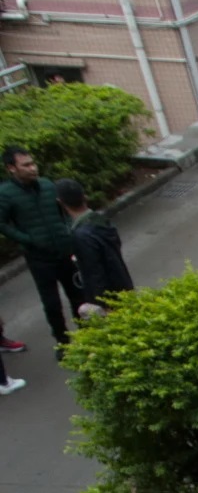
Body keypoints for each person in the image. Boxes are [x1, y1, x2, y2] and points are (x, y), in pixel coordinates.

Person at [0, 147, 81, 345]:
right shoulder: (6, 194)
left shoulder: (46, 185)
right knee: (52, 303)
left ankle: (88, 336)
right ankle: (62, 341)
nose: (33, 168)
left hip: (64, 251)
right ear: (11, 168)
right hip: (39, 258)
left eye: (33, 163)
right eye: (26, 165)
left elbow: (63, 211)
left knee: (78, 295)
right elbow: (2, 223)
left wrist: (67, 230)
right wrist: (28, 239)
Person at [55, 178, 132, 318]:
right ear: (84, 196)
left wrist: (101, 304)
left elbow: (95, 273)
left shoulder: (81, 235)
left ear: (60, 202)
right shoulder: (100, 221)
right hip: (123, 285)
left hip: (109, 299)